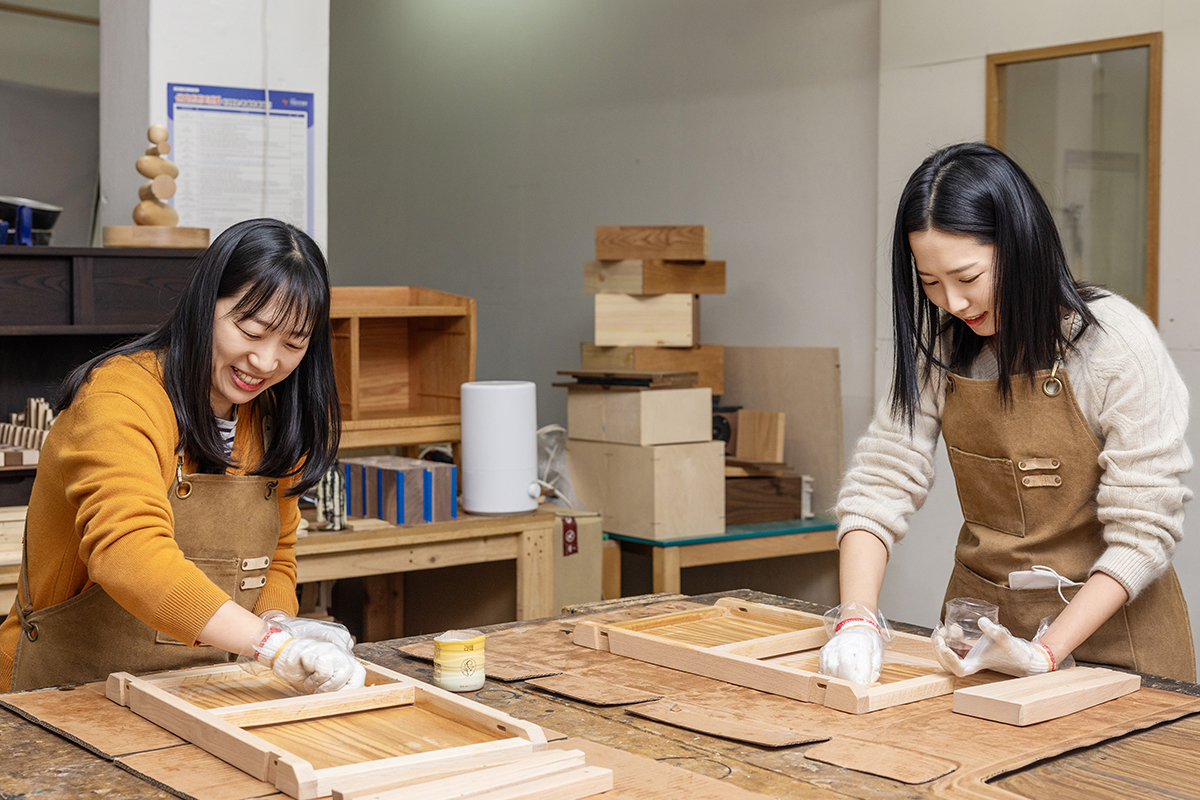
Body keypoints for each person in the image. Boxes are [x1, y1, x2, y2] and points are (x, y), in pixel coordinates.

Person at [819, 142, 1194, 685]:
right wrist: (855, 618)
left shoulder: (1114, 344)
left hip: (1115, 640)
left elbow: (1143, 533)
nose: (954, 302)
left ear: (1021, 246)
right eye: (930, 284)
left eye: (968, 278)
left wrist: (1044, 653)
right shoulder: (941, 347)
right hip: (981, 640)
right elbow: (882, 480)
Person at [1, 218, 366, 694]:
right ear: (204, 304)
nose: (266, 362)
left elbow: (276, 554)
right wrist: (270, 644)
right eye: (251, 331)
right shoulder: (120, 398)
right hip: (66, 694)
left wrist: (280, 622)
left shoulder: (275, 418)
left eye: (293, 344)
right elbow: (128, 552)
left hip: (198, 690)